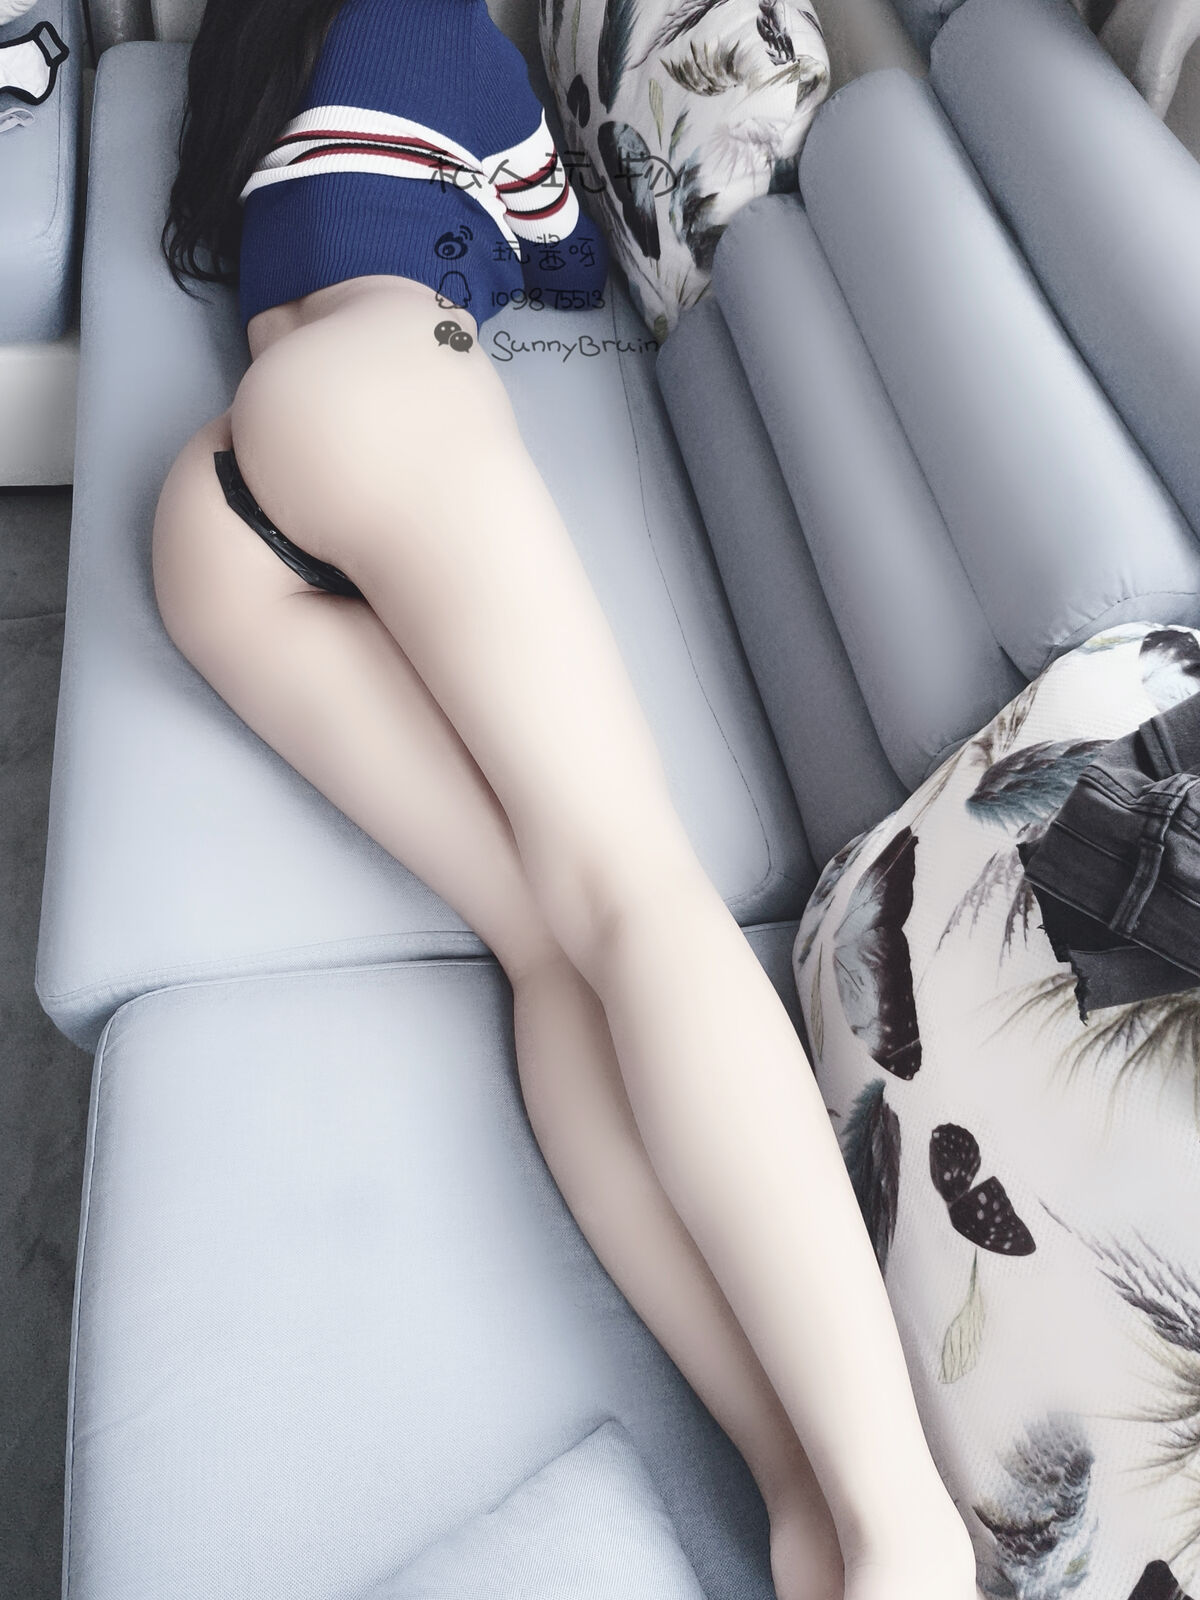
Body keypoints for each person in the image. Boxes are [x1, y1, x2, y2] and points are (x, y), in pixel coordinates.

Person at [150, 4, 978, 1597]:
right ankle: (897, 1525)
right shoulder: (440, 27)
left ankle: (797, 1496)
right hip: (377, 401)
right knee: (632, 896)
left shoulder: (246, 66)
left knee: (548, 942)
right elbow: (568, 256)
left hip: (214, 521)